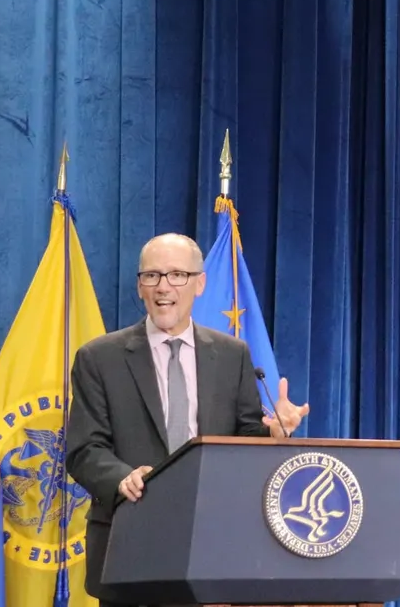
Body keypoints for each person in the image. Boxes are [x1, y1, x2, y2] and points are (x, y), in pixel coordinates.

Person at [65, 233, 309, 607]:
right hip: (130, 544)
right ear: (140, 286)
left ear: (200, 283)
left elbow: (242, 439)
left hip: (213, 547)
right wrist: (120, 478)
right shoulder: (99, 358)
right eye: (152, 276)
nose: (164, 287)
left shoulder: (232, 355)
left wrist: (271, 433)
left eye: (177, 275)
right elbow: (84, 448)